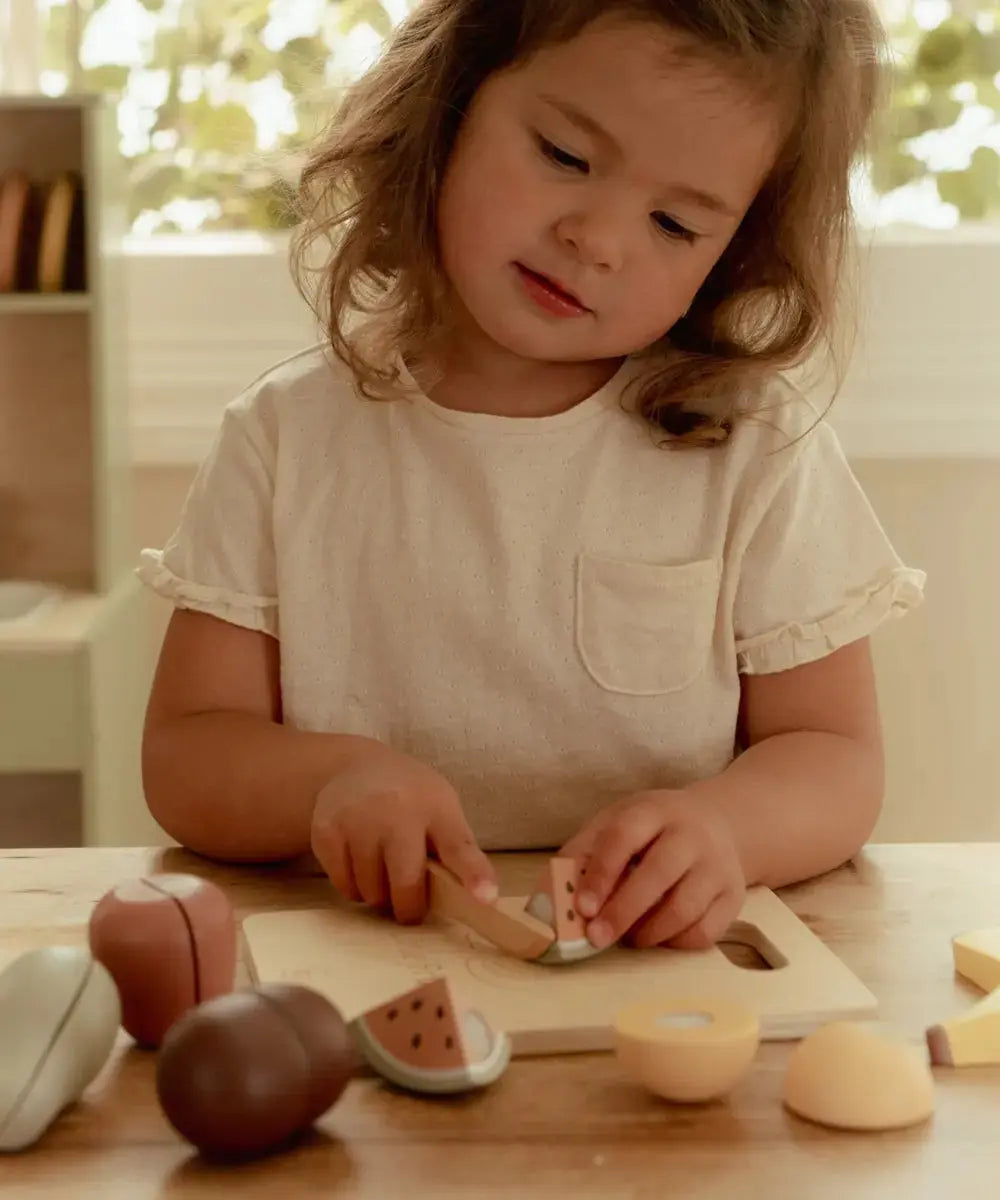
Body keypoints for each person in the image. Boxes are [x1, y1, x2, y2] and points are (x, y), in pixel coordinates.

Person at [137, 0, 925, 953]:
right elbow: (188, 752)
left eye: (674, 222)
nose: (597, 238)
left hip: (661, 974)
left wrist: (729, 829)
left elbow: (837, 759)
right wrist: (330, 783)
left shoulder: (757, 450)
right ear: (451, 104)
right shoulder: (283, 439)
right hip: (354, 959)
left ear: (735, 255)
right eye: (563, 155)